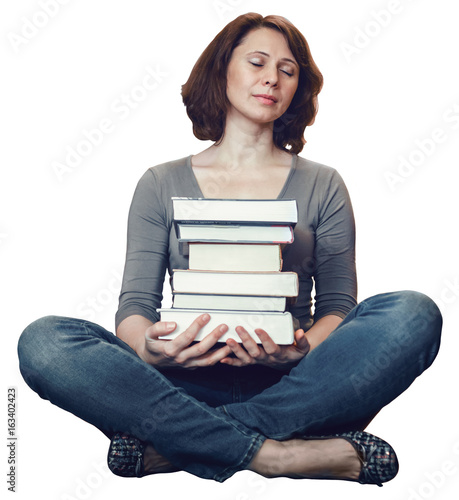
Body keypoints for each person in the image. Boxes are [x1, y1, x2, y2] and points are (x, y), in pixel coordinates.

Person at [17, 13, 442, 486]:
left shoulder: (324, 183)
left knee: (413, 313)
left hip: (296, 385)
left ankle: (180, 446)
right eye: (257, 62)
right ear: (222, 72)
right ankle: (279, 456)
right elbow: (136, 306)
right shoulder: (160, 182)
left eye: (287, 70)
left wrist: (299, 352)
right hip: (179, 384)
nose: (271, 78)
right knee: (45, 342)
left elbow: (340, 306)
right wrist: (151, 350)